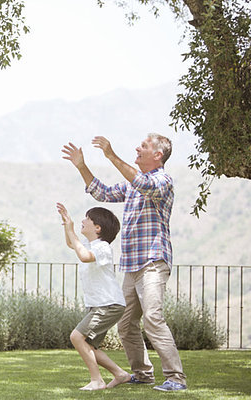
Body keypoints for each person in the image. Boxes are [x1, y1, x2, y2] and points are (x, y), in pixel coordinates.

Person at [61, 134, 187, 391]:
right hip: (131, 266)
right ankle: (142, 373)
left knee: (153, 317)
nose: (138, 148)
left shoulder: (162, 180)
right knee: (126, 324)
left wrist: (110, 155)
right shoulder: (131, 186)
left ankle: (175, 378)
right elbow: (102, 192)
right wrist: (81, 166)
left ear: (158, 155)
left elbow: (143, 183)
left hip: (153, 262)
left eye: (144, 146)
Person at [56, 202, 130, 391]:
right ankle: (120, 374)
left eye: (87, 219)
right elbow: (71, 244)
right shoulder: (91, 245)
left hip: (108, 304)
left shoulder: (103, 247)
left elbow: (84, 256)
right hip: (100, 305)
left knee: (76, 337)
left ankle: (97, 380)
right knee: (88, 344)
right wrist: (67, 225)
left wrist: (72, 229)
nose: (83, 221)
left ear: (98, 227)